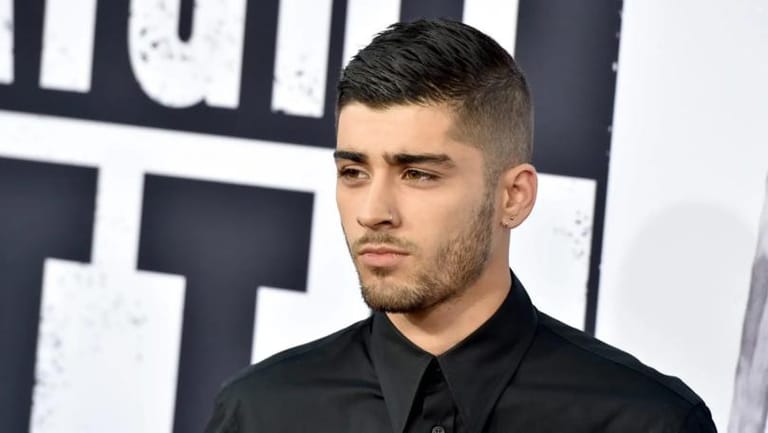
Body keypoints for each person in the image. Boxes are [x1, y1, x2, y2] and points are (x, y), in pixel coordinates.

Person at [204, 18, 717, 433]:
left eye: (418, 174)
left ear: (513, 196)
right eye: (354, 172)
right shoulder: (260, 413)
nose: (373, 211)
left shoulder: (647, 422)